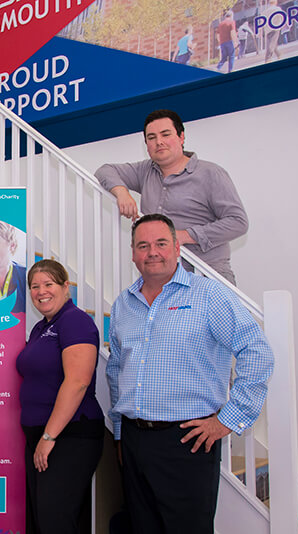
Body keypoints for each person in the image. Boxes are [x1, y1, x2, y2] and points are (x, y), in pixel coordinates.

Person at [106, 214, 274, 534]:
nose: (152, 252)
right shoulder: (123, 304)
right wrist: (118, 432)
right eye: (143, 245)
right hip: (133, 440)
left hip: (186, 440)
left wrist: (228, 419)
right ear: (132, 253)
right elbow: (116, 370)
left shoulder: (209, 295)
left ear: (177, 248)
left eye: (160, 244)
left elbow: (256, 351)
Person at [95, 109, 248, 284]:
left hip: (205, 276)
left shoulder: (210, 173)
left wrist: (185, 235)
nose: (159, 142)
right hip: (161, 279)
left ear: (181, 137)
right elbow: (104, 170)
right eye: (151, 138)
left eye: (165, 134)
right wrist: (121, 192)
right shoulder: (145, 171)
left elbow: (238, 222)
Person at [16, 259, 103, 533]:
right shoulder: (43, 327)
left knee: (55, 520)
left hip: (68, 435)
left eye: (49, 284)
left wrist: (49, 436)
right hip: (42, 435)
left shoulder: (75, 321)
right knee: (45, 520)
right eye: (34, 286)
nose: (41, 291)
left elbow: (77, 382)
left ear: (66, 287)